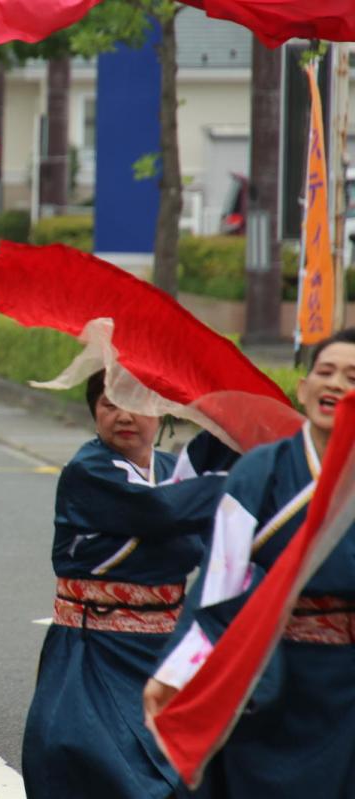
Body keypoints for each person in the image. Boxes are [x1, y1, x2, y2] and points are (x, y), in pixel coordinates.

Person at [144, 328, 355, 797]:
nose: (336, 384)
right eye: (325, 372)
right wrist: (174, 673)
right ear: (303, 389)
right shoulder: (260, 470)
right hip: (264, 679)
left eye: (351, 376)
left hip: (346, 687)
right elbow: (219, 584)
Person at [21, 369, 234, 799]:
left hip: (163, 648)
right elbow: (163, 511)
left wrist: (231, 423)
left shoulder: (173, 470)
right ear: (94, 413)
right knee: (90, 758)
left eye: (137, 403)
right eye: (109, 404)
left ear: (159, 412)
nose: (123, 415)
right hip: (94, 646)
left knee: (182, 760)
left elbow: (202, 485)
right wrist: (241, 481)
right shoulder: (89, 471)